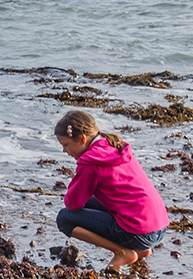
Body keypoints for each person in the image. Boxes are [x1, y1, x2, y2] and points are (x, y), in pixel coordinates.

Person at [54, 110, 169, 269]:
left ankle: (122, 252)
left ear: (82, 138)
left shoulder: (90, 162)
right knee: (93, 202)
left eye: (65, 145)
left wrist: (74, 187)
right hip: (159, 226)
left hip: (139, 234)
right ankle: (142, 251)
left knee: (64, 218)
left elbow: (72, 204)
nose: (64, 151)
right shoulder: (114, 145)